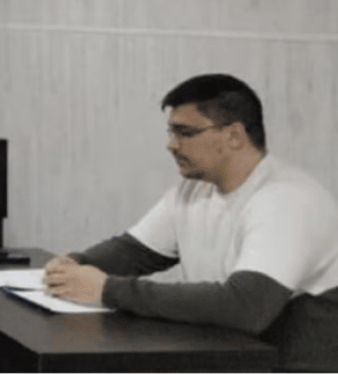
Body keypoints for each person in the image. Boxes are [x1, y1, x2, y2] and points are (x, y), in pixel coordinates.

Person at [43, 73, 338, 371]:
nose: (171, 145)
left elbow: (247, 306)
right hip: (235, 359)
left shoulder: (288, 199)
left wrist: (108, 290)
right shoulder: (194, 190)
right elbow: (134, 252)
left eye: (185, 133)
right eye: (171, 132)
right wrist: (75, 264)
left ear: (234, 136)